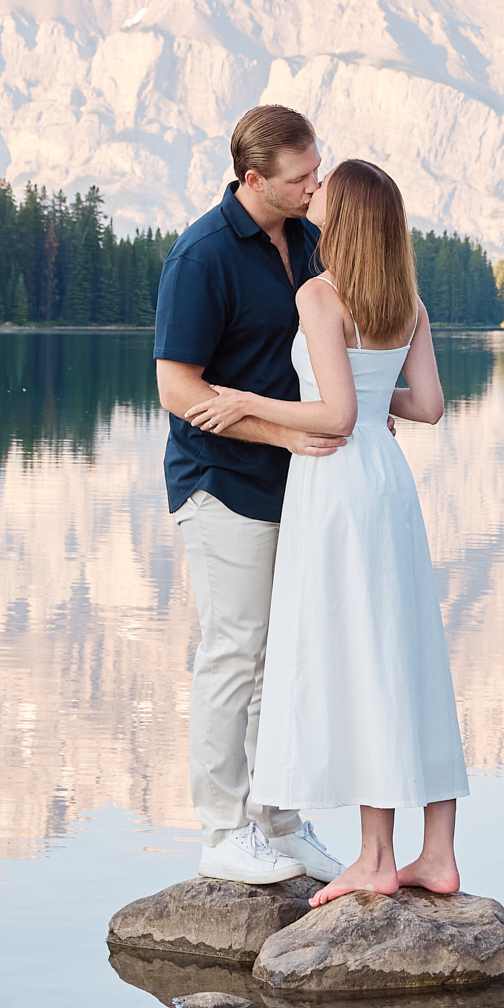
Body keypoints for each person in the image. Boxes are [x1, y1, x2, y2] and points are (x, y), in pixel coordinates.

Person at [183, 158, 468, 902]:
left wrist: (248, 397)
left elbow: (332, 418)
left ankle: (376, 859)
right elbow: (429, 405)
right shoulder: (407, 302)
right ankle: (435, 854)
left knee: (362, 656)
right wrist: (374, 396)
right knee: (407, 649)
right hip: (390, 481)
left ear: (338, 221)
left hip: (338, 484)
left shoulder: (320, 295)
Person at [153, 104, 346, 887]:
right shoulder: (201, 258)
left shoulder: (306, 239)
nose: (315, 186)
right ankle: (222, 830)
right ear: (253, 179)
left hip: (295, 483)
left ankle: (278, 821)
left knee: (285, 658)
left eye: (318, 171)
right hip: (222, 484)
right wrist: (280, 436)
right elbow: (176, 387)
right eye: (302, 178)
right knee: (234, 653)